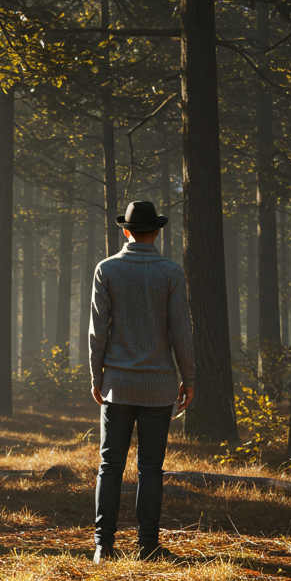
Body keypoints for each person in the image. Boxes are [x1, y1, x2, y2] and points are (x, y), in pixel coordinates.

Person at [89, 200, 194, 562]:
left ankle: (104, 546)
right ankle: (148, 546)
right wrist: (189, 377)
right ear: (158, 231)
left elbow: (97, 332)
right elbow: (181, 331)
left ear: (126, 231)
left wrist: (96, 376)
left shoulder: (107, 269)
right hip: (159, 386)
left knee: (110, 466)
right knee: (151, 467)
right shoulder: (170, 272)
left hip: (117, 384)